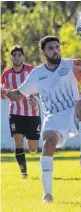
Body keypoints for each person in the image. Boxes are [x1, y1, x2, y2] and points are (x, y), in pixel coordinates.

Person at [1, 36, 81, 203]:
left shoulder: (69, 64)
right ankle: (47, 194)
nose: (55, 51)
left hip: (72, 111)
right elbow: (18, 95)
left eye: (57, 47)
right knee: (48, 145)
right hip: (53, 117)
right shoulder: (37, 73)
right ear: (44, 52)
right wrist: (5, 92)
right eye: (51, 48)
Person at [1, 45, 41, 179]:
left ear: (23, 56)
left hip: (32, 113)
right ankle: (24, 173)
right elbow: (3, 94)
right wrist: (2, 92)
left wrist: (35, 99)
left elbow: (40, 87)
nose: (17, 57)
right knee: (18, 141)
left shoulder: (32, 71)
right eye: (14, 55)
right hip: (15, 113)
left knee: (33, 148)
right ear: (11, 57)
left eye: (19, 55)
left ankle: (34, 151)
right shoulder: (6, 74)